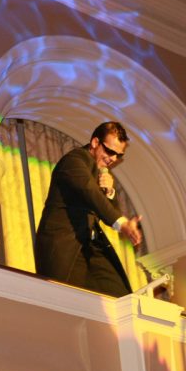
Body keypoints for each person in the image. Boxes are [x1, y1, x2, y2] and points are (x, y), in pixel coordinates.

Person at [35, 121, 142, 297]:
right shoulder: (74, 160)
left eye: (119, 155)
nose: (113, 159)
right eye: (110, 151)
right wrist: (122, 224)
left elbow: (107, 208)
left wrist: (110, 191)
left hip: (91, 246)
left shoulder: (100, 172)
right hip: (66, 246)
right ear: (95, 142)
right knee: (69, 301)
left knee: (120, 296)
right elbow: (89, 192)